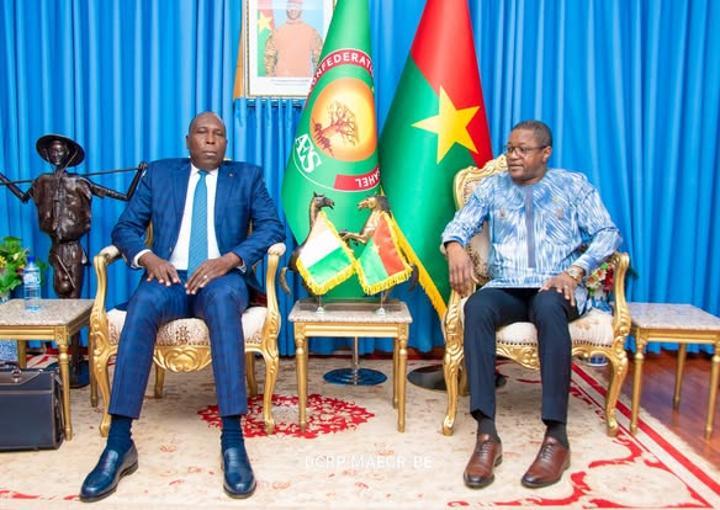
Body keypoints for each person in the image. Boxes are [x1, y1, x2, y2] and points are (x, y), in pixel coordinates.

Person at [79, 112, 285, 501]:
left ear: (226, 144)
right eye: (202, 133)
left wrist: (228, 260)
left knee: (223, 301)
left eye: (218, 134)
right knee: (143, 303)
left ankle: (232, 441)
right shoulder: (159, 174)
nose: (210, 139)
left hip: (220, 278)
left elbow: (272, 227)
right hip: (169, 277)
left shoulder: (247, 176)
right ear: (187, 140)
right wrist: (148, 258)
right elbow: (125, 228)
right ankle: (119, 444)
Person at [441, 120, 621, 490]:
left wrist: (574, 271)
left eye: (522, 150)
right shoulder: (492, 187)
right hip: (507, 286)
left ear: (545, 153)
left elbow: (608, 233)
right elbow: (458, 226)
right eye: (510, 149)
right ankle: (486, 435)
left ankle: (556, 437)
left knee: (549, 308)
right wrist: (455, 247)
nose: (513, 156)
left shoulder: (573, 186)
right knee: (477, 307)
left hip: (555, 286)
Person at [0, 135, 144, 299]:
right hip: (55, 249)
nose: (56, 155)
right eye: (53, 151)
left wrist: (138, 173)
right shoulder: (41, 181)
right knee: (60, 292)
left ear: (67, 153)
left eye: (60, 151)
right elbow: (23, 197)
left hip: (74, 250)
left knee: (74, 295)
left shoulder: (80, 182)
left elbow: (125, 196)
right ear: (48, 154)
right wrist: (2, 177)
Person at [264, 0, 322, 77]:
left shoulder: (311, 32)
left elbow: (319, 58)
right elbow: (269, 57)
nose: (293, 9)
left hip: (304, 81)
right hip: (281, 81)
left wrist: (317, 80)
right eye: (290, 6)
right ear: (286, 9)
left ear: (301, 9)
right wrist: (270, 78)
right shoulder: (277, 32)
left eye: (296, 6)